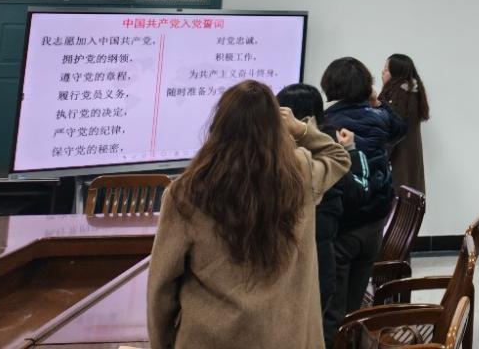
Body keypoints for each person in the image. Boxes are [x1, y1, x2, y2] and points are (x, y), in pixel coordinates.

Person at [147, 80, 350, 349]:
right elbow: (338, 155)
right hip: (286, 339)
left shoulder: (186, 191)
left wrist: (162, 343)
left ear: (218, 126)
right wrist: (300, 128)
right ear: (277, 129)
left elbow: (162, 287)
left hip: (209, 339)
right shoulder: (300, 174)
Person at [319, 57, 407, 342]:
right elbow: (401, 128)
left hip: (345, 225)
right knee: (354, 309)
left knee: (332, 311)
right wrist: (378, 102)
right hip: (374, 222)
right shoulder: (379, 117)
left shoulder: (328, 123)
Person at [276, 82, 355, 336]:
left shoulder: (300, 157)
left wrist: (299, 132)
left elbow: (340, 161)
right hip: (320, 256)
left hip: (312, 259)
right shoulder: (328, 142)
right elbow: (340, 159)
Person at [378, 53, 429, 195]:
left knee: (395, 204)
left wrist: (377, 161)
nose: (382, 72)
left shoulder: (398, 97)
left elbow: (390, 134)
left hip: (397, 167)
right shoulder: (412, 94)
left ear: (396, 74)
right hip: (408, 166)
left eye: (386, 69)